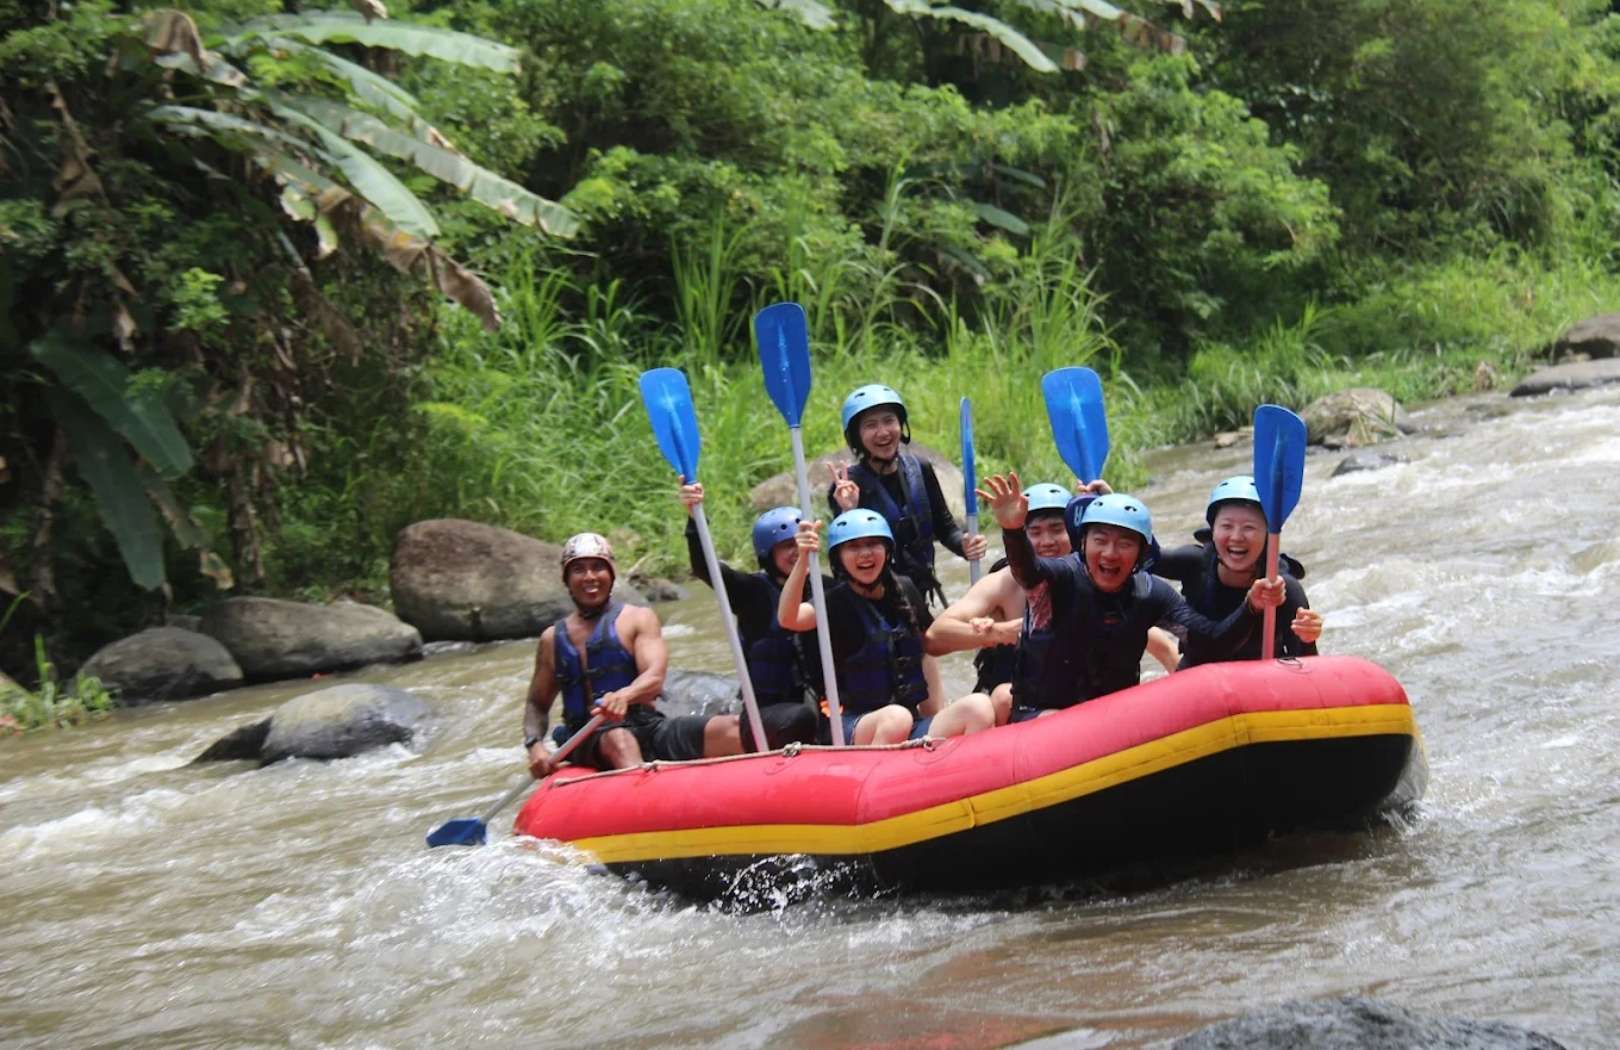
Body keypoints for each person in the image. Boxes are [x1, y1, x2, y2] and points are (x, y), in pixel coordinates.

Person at [978, 473, 1285, 715]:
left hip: (1116, 719)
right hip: (1042, 714)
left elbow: (1211, 642)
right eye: (1100, 540)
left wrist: (1251, 606)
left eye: (1125, 544)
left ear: (1140, 554)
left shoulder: (1151, 593)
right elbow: (1026, 570)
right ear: (1083, 544)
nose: (1110, 553)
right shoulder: (1060, 576)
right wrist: (1013, 531)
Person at [925, 482, 1181, 724]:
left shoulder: (1102, 579)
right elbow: (935, 637)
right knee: (1004, 696)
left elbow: (1159, 644)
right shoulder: (1004, 583)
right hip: (1016, 704)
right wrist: (1000, 632)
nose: (1047, 541)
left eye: (1056, 530)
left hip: (1079, 701)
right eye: (1034, 532)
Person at [523, 532, 741, 777]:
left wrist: (625, 696)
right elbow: (537, 703)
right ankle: (650, 805)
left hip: (647, 725)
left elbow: (654, 678)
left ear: (611, 574)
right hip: (587, 736)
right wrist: (535, 745)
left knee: (734, 728)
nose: (590, 577)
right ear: (567, 579)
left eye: (598, 567)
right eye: (578, 570)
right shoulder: (552, 639)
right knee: (620, 740)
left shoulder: (639, 618)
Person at [777, 509, 997, 745]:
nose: (865, 554)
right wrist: (802, 560)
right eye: (853, 547)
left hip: (909, 721)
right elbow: (789, 618)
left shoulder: (905, 589)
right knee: (896, 718)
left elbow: (930, 645)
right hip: (852, 724)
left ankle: (955, 777)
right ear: (838, 558)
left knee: (978, 706)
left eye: (873, 544)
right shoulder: (833, 602)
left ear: (887, 550)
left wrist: (981, 632)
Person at [677, 483, 820, 750]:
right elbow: (705, 567)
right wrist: (695, 518)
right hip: (766, 714)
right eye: (786, 546)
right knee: (803, 716)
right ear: (768, 554)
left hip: (820, 703)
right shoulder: (751, 591)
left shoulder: (824, 589)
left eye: (799, 544)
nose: (795, 552)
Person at [827, 384, 987, 606]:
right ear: (856, 436)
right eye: (871, 425)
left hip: (917, 593)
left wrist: (964, 544)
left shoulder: (920, 468)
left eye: (889, 421)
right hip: (874, 599)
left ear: (900, 425)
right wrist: (848, 512)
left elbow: (945, 527)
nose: (883, 432)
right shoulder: (847, 487)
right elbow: (843, 559)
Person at [1153, 475, 1322, 667]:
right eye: (1226, 526)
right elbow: (1137, 553)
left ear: (1268, 536)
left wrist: (1307, 639)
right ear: (1212, 532)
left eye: (1249, 528)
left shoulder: (1284, 588)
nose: (1236, 536)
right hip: (1199, 680)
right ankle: (1161, 646)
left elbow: (1307, 667)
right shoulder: (1194, 563)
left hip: (1262, 686)